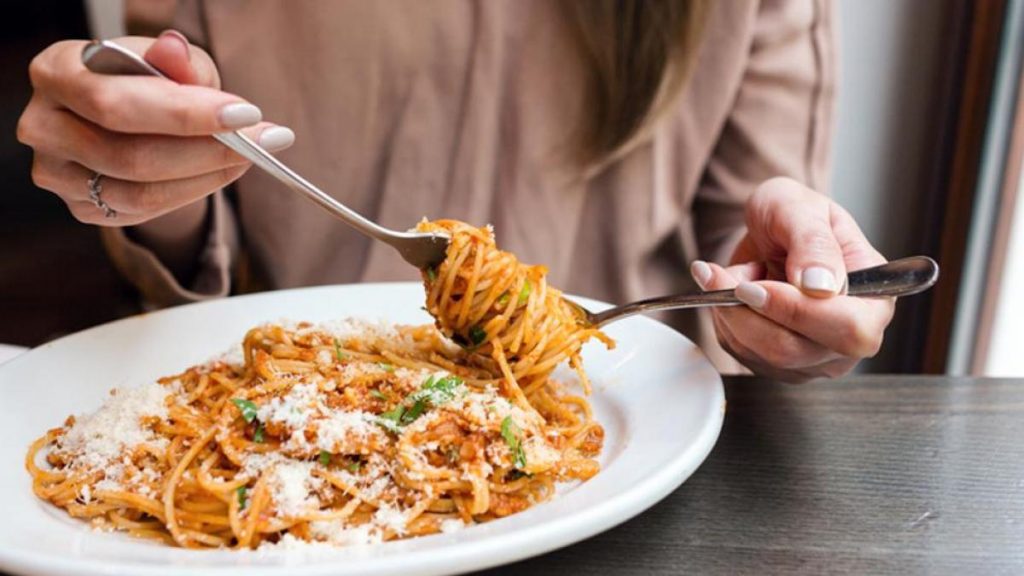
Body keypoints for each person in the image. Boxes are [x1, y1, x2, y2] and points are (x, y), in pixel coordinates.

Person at [16, 0, 893, 382]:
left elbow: (752, 247)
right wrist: (140, 169)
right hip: (296, 409)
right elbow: (191, 234)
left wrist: (785, 306)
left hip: (622, 434)